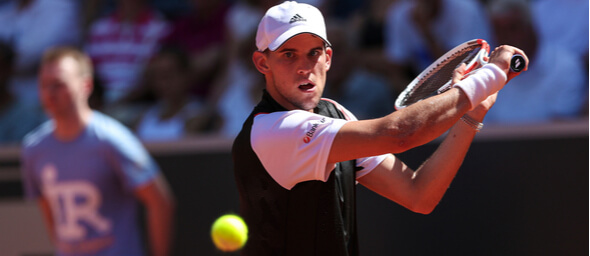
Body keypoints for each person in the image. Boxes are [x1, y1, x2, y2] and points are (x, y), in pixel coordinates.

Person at [232, 1, 527, 255]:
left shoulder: (334, 114)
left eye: (314, 53)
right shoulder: (273, 131)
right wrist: (492, 74)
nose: (304, 66)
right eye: (288, 54)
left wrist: (470, 116)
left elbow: (418, 194)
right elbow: (399, 134)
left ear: (329, 58)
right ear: (262, 63)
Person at [20, 47, 175, 256]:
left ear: (86, 85)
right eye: (44, 85)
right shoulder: (33, 149)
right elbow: (46, 213)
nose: (50, 93)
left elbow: (160, 202)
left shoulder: (113, 141)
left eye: (59, 84)